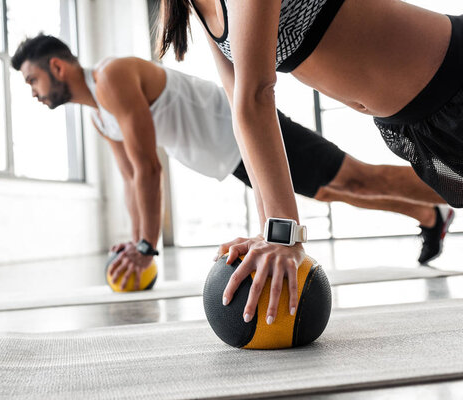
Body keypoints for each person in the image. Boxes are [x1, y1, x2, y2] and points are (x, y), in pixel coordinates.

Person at [11, 34, 453, 293]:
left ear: (56, 66)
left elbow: (149, 169)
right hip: (234, 154)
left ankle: (454, 187)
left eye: (32, 79)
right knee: (336, 191)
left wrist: (148, 247)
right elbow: (129, 179)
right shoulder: (98, 116)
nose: (33, 90)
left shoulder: (110, 77)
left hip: (247, 129)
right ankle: (430, 213)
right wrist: (135, 241)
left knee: (356, 178)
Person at [158, 0, 463, 324]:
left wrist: (284, 234)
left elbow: (257, 94)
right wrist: (269, 233)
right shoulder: (200, 7)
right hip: (419, 120)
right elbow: (241, 110)